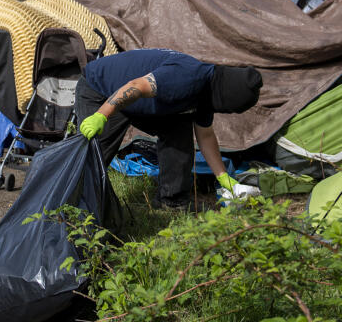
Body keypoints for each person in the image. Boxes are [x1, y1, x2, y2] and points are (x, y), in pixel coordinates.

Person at [75, 48, 263, 210]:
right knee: (92, 156)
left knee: (179, 129)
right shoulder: (186, 77)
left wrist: (223, 178)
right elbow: (136, 86)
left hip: (139, 102)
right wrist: (101, 115)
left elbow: (205, 136)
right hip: (102, 90)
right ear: (226, 99)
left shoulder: (207, 93)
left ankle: (172, 201)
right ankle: (75, 204)